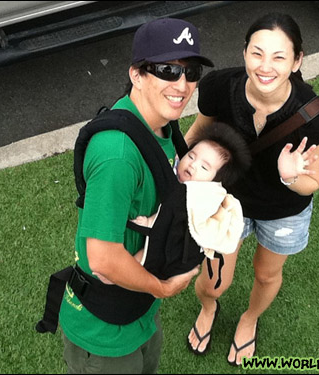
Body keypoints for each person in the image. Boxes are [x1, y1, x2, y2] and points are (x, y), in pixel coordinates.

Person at [58, 18, 214, 374]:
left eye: (191, 73)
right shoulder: (118, 155)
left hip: (138, 311)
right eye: (167, 70)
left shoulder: (161, 122)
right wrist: (162, 288)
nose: (183, 85)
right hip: (104, 332)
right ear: (137, 75)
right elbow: (102, 257)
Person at [185, 13, 319, 366]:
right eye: (257, 53)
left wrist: (290, 176)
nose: (265, 67)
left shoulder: (314, 119)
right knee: (213, 284)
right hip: (225, 201)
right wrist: (180, 169)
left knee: (267, 274)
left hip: (282, 208)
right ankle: (209, 308)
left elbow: (312, 183)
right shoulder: (219, 87)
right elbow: (198, 132)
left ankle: (249, 319)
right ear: (244, 53)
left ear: (297, 61)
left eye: (279, 57)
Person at [94, 121, 252, 283]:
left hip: (176, 246)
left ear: (214, 181)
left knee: (146, 255)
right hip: (175, 240)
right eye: (191, 156)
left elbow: (174, 213)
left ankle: (114, 276)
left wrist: (149, 222)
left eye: (204, 168)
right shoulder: (178, 171)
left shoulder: (203, 196)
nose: (193, 164)